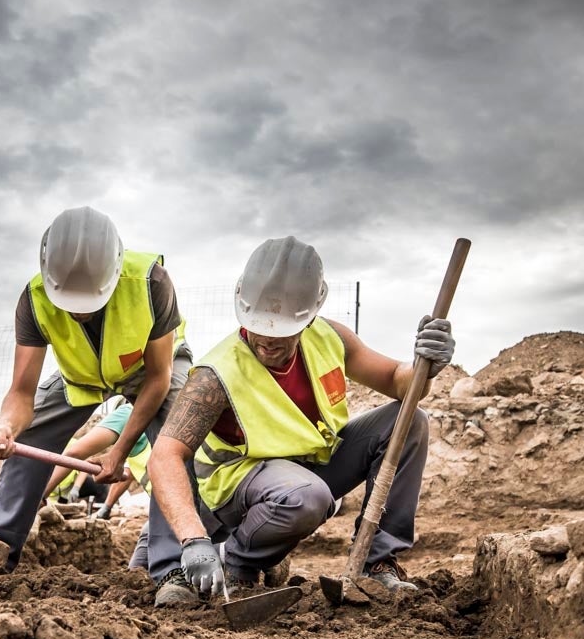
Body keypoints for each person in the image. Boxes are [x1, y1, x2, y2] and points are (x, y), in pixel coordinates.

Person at [149, 237, 456, 602]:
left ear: (309, 315)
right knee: (308, 496)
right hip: (240, 489)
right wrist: (193, 539)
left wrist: (426, 366)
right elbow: (165, 454)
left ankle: (377, 566)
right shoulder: (215, 374)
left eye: (280, 331)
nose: (267, 340)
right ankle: (237, 563)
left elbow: (396, 381)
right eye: (258, 325)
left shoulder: (330, 337)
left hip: (306, 470)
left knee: (411, 421)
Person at [0, 206, 192, 603]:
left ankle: (170, 568)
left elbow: (159, 379)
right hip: (81, 375)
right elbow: (22, 394)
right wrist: (6, 426)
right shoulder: (34, 299)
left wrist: (120, 450)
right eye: (69, 300)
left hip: (148, 369)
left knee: (172, 436)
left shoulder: (151, 282)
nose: (79, 310)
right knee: (34, 430)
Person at [43, 400, 153, 520]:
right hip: (167, 495)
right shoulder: (157, 423)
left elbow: (74, 454)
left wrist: (40, 497)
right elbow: (127, 475)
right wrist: (107, 507)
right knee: (146, 536)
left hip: (166, 496)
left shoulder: (127, 412)